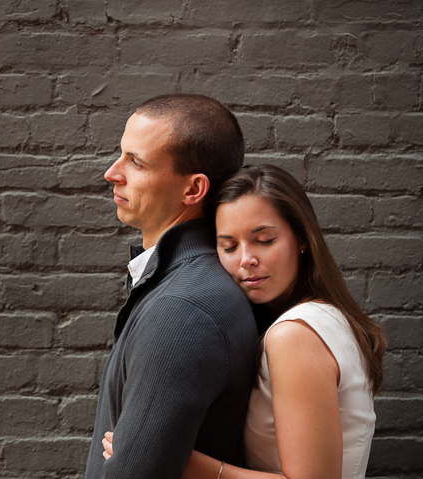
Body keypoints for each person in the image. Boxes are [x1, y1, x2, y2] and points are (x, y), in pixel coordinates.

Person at [102, 164, 387, 479]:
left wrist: (170, 458)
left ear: (303, 239)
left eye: (264, 240)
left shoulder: (295, 334)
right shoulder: (325, 318)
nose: (246, 260)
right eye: (229, 246)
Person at [84, 94, 259, 479]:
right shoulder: (179, 286)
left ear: (193, 190)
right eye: (121, 154)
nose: (112, 173)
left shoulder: (182, 309)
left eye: (137, 162)